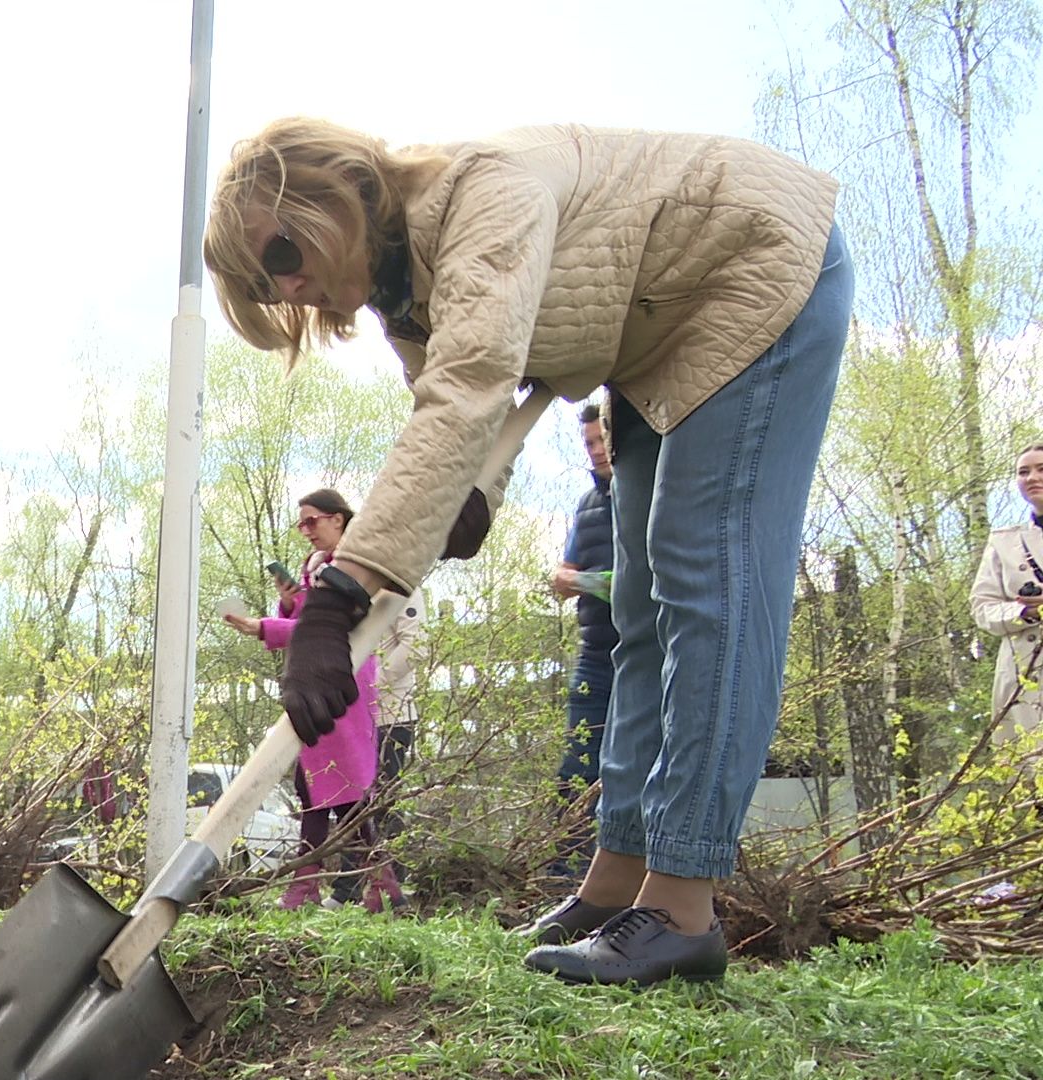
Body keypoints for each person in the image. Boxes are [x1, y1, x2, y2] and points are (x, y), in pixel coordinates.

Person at [204, 119, 852, 984]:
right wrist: (468, 500)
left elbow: (468, 390)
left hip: (754, 264)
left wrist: (338, 595)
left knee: (708, 580)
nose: (292, 286)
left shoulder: (484, 194)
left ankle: (681, 906)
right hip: (653, 340)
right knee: (638, 606)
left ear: (333, 194)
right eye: (266, 280)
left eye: (281, 252)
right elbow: (460, 424)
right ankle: (617, 883)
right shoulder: (406, 294)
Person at [224, 489, 405, 914]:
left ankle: (352, 886)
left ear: (340, 519)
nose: (305, 530)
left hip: (340, 682)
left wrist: (262, 627)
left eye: (313, 521)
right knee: (319, 788)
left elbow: (330, 631)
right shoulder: (316, 567)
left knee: (339, 790)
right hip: (314, 682)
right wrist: (287, 603)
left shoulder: (359, 565)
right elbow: (306, 624)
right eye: (300, 523)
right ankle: (368, 886)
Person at [542, 402, 616, 881]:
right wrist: (566, 577)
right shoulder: (588, 505)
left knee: (633, 767)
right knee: (577, 766)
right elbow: (568, 571)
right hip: (594, 652)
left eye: (601, 439)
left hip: (647, 654)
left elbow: (628, 581)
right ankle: (563, 875)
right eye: (588, 443)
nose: (596, 450)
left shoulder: (653, 493)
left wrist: (585, 582)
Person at [971, 443, 1043, 742]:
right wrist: (1023, 612)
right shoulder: (1004, 542)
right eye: (1023, 472)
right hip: (1024, 678)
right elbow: (981, 607)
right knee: (1026, 776)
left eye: (1041, 469)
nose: (1032, 477)